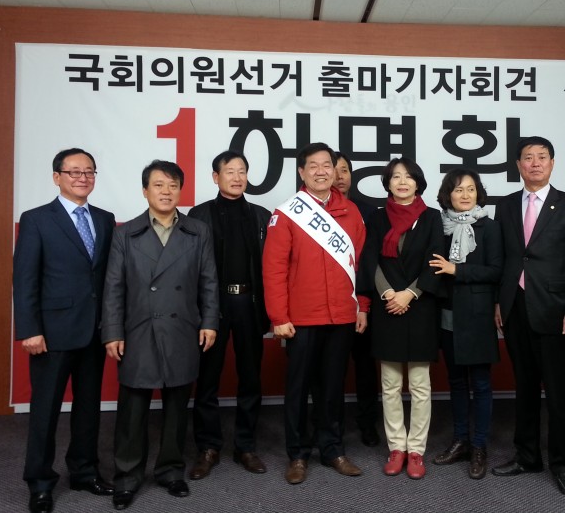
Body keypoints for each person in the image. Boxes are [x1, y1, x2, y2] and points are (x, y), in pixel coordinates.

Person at [101, 160, 218, 510]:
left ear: (180, 190)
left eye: (172, 185)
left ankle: (170, 470)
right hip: (138, 329)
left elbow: (209, 281)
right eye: (158, 185)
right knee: (132, 409)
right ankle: (127, 477)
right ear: (145, 191)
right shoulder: (125, 234)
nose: (166, 192)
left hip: (182, 327)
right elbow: (113, 287)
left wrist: (210, 321)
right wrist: (112, 331)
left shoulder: (198, 231)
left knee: (177, 406)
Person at [13, 148, 116, 513]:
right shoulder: (37, 219)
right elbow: (25, 279)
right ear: (57, 177)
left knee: (88, 408)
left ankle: (85, 472)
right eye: (74, 172)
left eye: (89, 171)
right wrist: (29, 329)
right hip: (51, 334)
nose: (82, 178)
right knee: (45, 412)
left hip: (93, 330)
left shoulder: (104, 219)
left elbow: (106, 278)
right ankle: (40, 483)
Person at [263, 142, 368, 485]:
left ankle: (333, 449)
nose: (322, 171)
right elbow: (274, 268)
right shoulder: (287, 213)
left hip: (341, 316)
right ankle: (297, 454)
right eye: (314, 166)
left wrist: (362, 305)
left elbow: (361, 265)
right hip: (302, 318)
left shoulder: (351, 212)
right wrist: (279, 317)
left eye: (328, 165)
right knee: (298, 388)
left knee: (333, 388)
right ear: (302, 172)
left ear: (335, 171)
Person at [492, 136, 565, 496]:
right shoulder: (505, 205)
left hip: (555, 310)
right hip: (515, 307)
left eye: (542, 157)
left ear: (552, 163)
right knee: (525, 387)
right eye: (528, 158)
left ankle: (564, 464)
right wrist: (499, 302)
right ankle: (527, 455)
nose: (535, 163)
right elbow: (504, 258)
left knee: (558, 392)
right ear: (518, 165)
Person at [187, 151, 271, 479]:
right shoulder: (198, 215)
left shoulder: (262, 216)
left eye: (242, 171)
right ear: (215, 177)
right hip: (213, 305)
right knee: (207, 379)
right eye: (230, 171)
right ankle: (208, 447)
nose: (237, 177)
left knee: (251, 377)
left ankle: (245, 446)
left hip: (250, 303)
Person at [359, 157, 444, 480]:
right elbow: (370, 260)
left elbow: (435, 260)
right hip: (388, 308)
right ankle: (397, 446)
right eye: (396, 177)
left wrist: (410, 293)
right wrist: (387, 294)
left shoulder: (432, 217)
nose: (403, 182)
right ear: (388, 183)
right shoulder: (377, 217)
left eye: (408, 176)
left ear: (418, 182)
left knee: (420, 385)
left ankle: (416, 450)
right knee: (391, 384)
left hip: (420, 307)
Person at [429, 169, 502, 480]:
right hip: (447, 313)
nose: (465, 195)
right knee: (456, 382)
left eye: (471, 189)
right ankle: (460, 441)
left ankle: (479, 446)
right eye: (458, 189)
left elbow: (496, 270)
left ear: (478, 193)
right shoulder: (439, 226)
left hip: (478, 315)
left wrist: (457, 270)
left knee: (481, 384)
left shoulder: (490, 227)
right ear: (448, 194)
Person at [334, 152, 380, 447]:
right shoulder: (311, 212)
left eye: (345, 170)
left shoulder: (368, 211)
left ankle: (367, 423)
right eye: (334, 170)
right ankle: (331, 426)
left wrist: (364, 301)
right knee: (332, 369)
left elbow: (371, 259)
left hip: (362, 301)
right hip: (330, 303)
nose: (340, 176)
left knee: (365, 368)